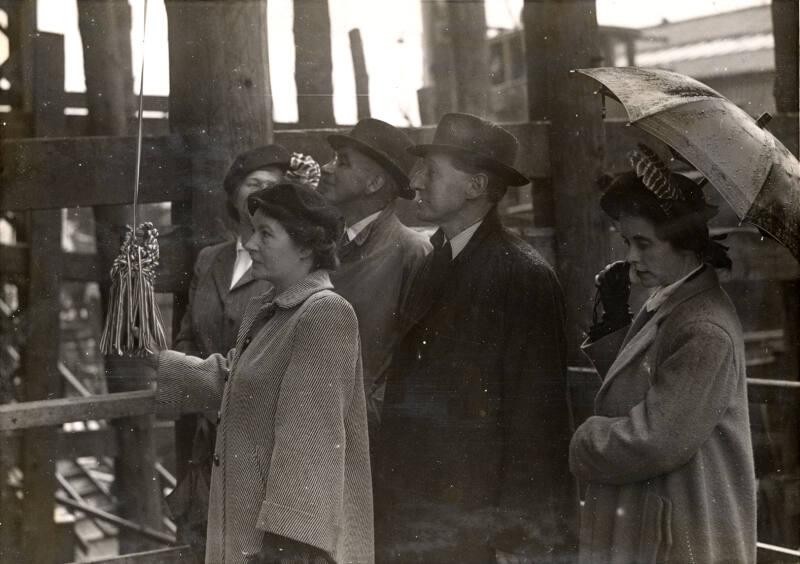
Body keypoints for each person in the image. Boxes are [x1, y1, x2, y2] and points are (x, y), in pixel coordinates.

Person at [374, 113, 577, 563]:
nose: (417, 182)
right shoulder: (436, 260)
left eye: (433, 171)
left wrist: (517, 538)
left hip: (480, 528)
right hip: (422, 517)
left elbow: (537, 419)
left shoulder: (522, 275)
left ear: (476, 186)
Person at [154, 182, 372, 564]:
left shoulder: (323, 313)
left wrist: (286, 546)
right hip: (253, 530)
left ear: (306, 246)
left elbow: (309, 441)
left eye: (266, 234)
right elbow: (235, 382)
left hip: (283, 545)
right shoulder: (273, 309)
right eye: (253, 230)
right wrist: (156, 360)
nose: (251, 243)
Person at [569, 145, 756, 564]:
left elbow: (655, 440)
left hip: (678, 533)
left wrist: (585, 440)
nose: (631, 257)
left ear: (684, 245)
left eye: (643, 244)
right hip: (660, 520)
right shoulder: (673, 301)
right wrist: (614, 322)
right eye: (626, 242)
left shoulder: (702, 325)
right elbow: (640, 385)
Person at [169, 144, 320, 560]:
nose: (263, 193)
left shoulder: (282, 264)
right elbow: (187, 337)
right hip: (207, 431)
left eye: (275, 186)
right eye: (255, 184)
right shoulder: (210, 259)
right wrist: (199, 391)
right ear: (234, 193)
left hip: (259, 435)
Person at [319, 118, 431, 433]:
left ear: (374, 183)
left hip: (369, 438)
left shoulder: (412, 252)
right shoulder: (321, 244)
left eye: (342, 162)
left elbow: (419, 364)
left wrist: (369, 414)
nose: (326, 168)